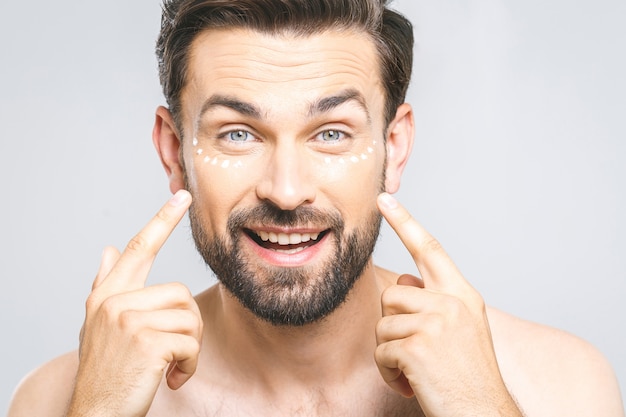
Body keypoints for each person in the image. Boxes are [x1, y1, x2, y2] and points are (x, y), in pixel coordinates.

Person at [7, 0, 624, 416]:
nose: (286, 189)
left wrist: (481, 406)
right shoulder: (60, 399)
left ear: (393, 146)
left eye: (331, 132)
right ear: (174, 151)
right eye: (237, 133)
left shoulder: (557, 387)